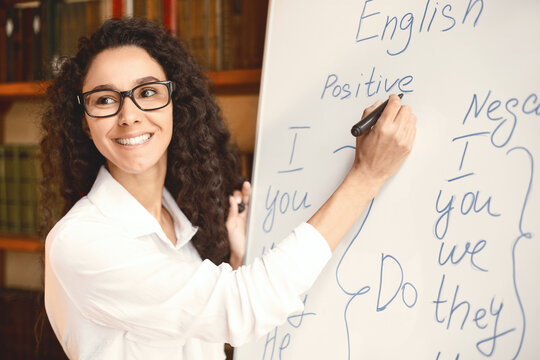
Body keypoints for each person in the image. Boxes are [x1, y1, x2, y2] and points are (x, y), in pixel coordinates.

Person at [41, 17, 416, 360]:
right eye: (105, 100)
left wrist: (236, 264)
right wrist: (366, 176)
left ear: (176, 103)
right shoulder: (80, 241)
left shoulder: (179, 221)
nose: (129, 115)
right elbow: (242, 308)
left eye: (149, 92)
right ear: (85, 123)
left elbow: (199, 335)